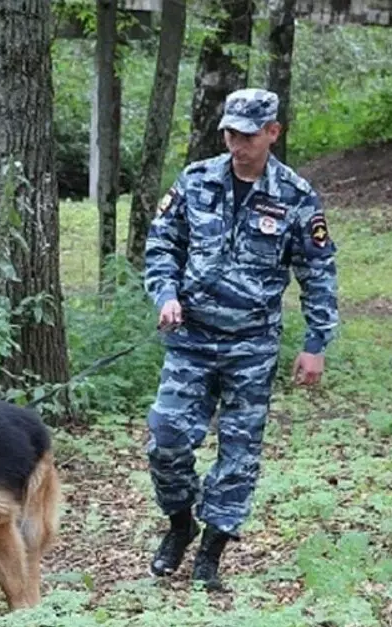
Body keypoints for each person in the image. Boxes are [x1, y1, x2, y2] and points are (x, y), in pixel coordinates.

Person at [142, 88, 339, 590]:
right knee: (165, 440)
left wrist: (316, 342)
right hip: (191, 337)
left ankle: (212, 549)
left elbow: (317, 272)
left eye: (247, 135)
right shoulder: (196, 180)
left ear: (272, 132)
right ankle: (181, 523)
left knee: (239, 451)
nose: (236, 143)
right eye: (230, 133)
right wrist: (165, 293)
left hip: (252, 345)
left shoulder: (296, 196)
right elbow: (163, 242)